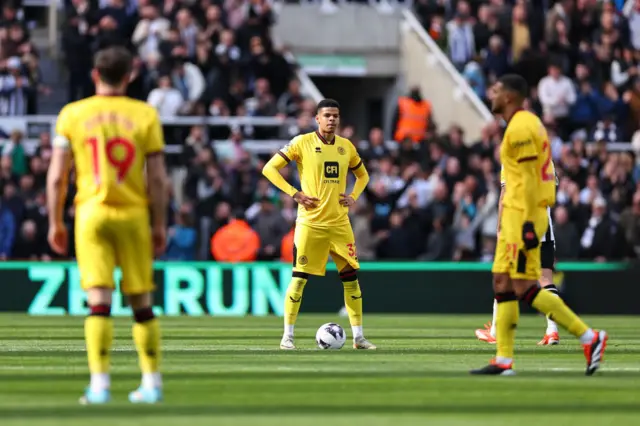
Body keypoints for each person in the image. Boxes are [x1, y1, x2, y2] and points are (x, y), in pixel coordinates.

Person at [46, 46, 169, 404]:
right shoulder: (145, 114)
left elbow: (56, 177)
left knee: (98, 301)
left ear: (95, 75)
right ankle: (152, 383)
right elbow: (158, 178)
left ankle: (99, 386)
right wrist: (159, 223)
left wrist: (55, 220)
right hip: (133, 214)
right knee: (142, 304)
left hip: (91, 213)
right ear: (130, 76)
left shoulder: (73, 114)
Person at [471, 74, 607, 376]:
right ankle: (503, 360)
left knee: (524, 286)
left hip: (523, 219)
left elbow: (533, 179)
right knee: (503, 283)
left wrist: (531, 226)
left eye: (495, 91)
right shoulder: (521, 126)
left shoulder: (521, 127)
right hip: (515, 219)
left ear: (508, 97)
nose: (490, 95)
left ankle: (589, 336)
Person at [262, 99, 376, 350]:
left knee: (350, 278)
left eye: (335, 115)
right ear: (317, 118)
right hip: (310, 223)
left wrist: (354, 196)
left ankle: (358, 337)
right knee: (299, 278)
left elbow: (363, 175)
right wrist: (294, 193)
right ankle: (287, 336)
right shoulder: (302, 143)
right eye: (327, 115)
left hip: (339, 224)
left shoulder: (346, 147)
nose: (332, 120)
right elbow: (270, 169)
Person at [475, 164, 562, 345]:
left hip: (519, 224)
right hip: (543, 224)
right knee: (546, 279)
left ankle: (496, 332)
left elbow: (505, 195)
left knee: (504, 277)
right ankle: (552, 331)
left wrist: (499, 226)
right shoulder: (545, 158)